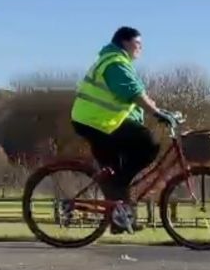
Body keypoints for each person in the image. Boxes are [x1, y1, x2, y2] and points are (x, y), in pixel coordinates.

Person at [71, 27, 177, 232]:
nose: (141, 48)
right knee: (149, 143)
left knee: (116, 168)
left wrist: (160, 111)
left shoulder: (118, 62)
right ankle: (120, 189)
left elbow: (132, 103)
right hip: (96, 122)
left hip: (99, 121)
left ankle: (120, 220)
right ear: (125, 42)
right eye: (138, 43)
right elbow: (134, 93)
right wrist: (157, 114)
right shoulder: (115, 63)